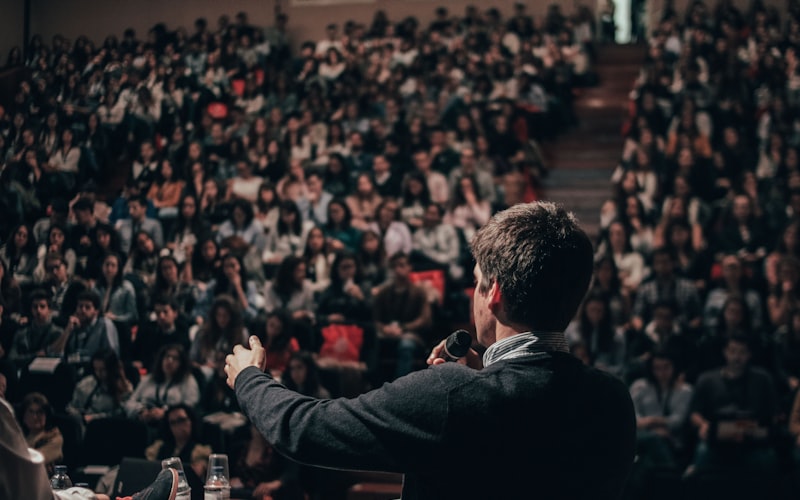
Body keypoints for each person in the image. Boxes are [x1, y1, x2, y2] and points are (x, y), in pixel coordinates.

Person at [224, 201, 636, 500]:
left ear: (493, 292)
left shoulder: (451, 395)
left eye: (476, 282)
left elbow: (304, 431)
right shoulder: (612, 399)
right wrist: (484, 377)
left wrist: (249, 377)